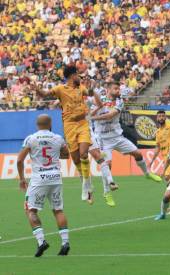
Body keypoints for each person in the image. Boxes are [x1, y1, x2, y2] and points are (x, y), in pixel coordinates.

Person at [33, 66, 93, 204]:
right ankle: (85, 180)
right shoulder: (60, 89)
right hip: (69, 126)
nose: (80, 77)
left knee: (84, 154)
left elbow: (89, 93)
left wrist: (91, 87)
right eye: (78, 74)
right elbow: (44, 94)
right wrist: (37, 88)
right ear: (72, 76)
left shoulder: (81, 87)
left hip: (82, 123)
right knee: (76, 159)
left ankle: (86, 183)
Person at [17, 114, 70, 257]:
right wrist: (54, 154)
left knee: (31, 210)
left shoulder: (31, 138)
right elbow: (66, 155)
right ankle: (65, 242)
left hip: (38, 179)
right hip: (55, 177)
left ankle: (41, 242)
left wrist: (22, 179)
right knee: (58, 210)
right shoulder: (58, 138)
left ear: (37, 124)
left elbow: (19, 160)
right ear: (50, 124)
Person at [90, 82, 161, 182]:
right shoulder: (99, 100)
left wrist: (93, 117)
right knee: (107, 165)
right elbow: (90, 112)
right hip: (103, 139)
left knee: (138, 154)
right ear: (108, 90)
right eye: (115, 89)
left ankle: (147, 173)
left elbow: (110, 115)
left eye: (119, 89)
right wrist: (92, 113)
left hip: (117, 137)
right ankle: (107, 192)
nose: (118, 91)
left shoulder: (120, 102)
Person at [86, 91, 118, 207]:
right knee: (82, 166)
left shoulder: (89, 106)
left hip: (92, 137)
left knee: (104, 162)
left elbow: (99, 105)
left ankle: (108, 189)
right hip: (75, 137)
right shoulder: (69, 109)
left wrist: (93, 92)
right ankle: (88, 191)